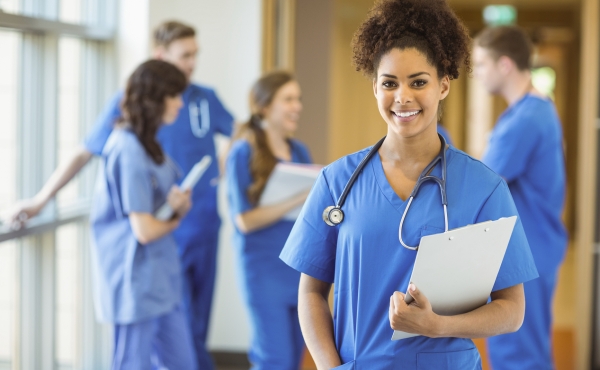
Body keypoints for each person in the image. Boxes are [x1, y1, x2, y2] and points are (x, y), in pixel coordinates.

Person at [279, 0, 539, 368]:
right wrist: (329, 366)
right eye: (389, 83)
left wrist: (439, 325)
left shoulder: (484, 188)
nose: (403, 97)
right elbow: (311, 292)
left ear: (443, 85)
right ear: (375, 87)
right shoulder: (338, 181)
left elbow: (512, 310)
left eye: (418, 82)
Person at [9, 21, 233, 369]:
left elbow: (241, 132)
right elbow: (85, 154)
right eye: (184, 55)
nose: (192, 63)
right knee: (142, 354)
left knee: (190, 338)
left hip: (187, 237)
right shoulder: (128, 138)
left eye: (195, 55)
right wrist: (41, 200)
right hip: (145, 256)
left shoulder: (190, 107)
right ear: (160, 60)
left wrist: (218, 173)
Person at [473, 26, 567, 370]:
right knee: (528, 350)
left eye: (482, 64)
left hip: (528, 250)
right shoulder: (535, 110)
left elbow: (483, 182)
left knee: (519, 356)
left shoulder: (526, 118)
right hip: (536, 246)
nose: (477, 72)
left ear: (506, 65)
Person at [90, 59, 194, 369]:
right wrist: (176, 218)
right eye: (173, 95)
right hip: (134, 280)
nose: (180, 103)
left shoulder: (150, 145)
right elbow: (145, 230)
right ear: (154, 98)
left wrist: (177, 206)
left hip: (160, 279)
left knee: (182, 363)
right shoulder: (127, 149)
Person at [225, 71, 312, 369]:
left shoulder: (299, 151)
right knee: (273, 358)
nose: (297, 106)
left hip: (298, 268)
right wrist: (298, 198)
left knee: (295, 357)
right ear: (264, 107)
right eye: (288, 99)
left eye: (298, 99)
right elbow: (244, 221)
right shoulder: (242, 152)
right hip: (263, 272)